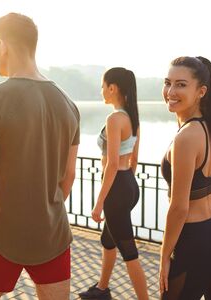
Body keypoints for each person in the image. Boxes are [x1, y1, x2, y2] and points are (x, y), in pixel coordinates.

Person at [0, 13, 80, 299]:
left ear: (2, 45)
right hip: (54, 235)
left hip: (0, 238)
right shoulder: (69, 105)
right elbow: (68, 177)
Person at [159, 56, 211, 300]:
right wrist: (210, 234)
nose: (171, 91)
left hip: (196, 242)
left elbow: (178, 207)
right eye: (168, 82)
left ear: (201, 91)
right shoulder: (208, 128)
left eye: (181, 84)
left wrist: (164, 255)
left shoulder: (185, 137)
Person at [79, 67, 148, 300]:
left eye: (103, 86)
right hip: (129, 183)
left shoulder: (115, 118)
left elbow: (110, 164)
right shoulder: (133, 117)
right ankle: (102, 289)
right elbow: (134, 159)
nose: (101, 91)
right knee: (108, 240)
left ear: (113, 87)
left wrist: (100, 203)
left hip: (117, 187)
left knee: (129, 252)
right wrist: (126, 185)